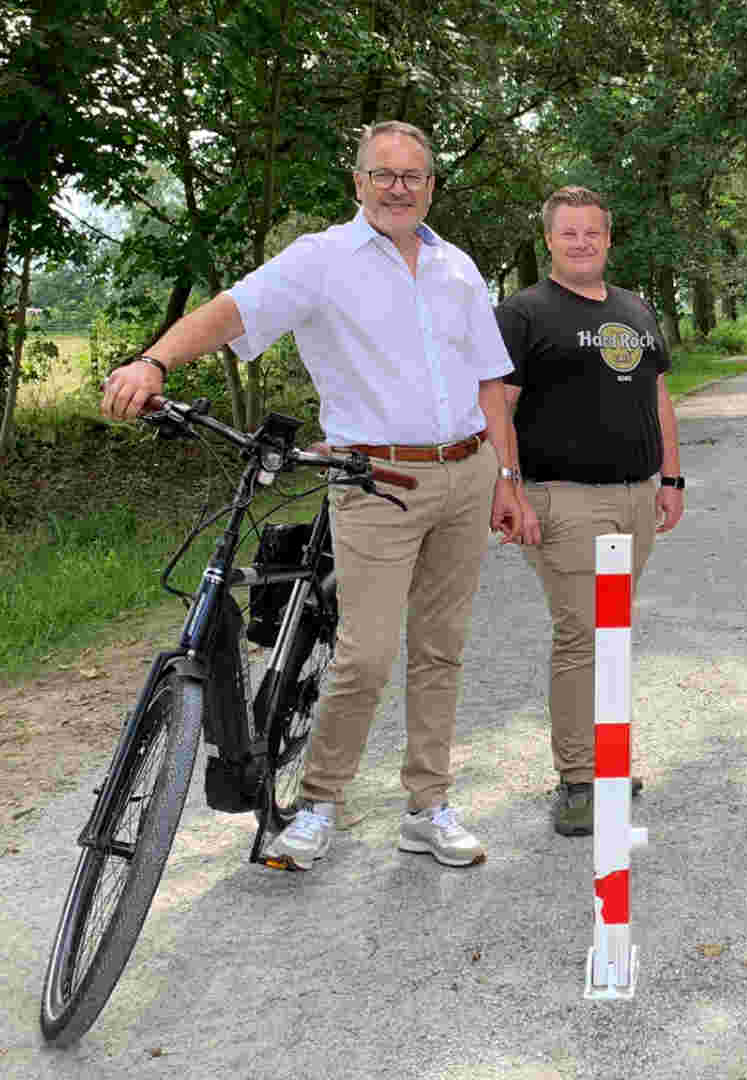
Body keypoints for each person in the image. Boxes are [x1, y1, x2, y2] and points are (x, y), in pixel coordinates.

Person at [100, 120, 531, 872]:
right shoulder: (322, 261)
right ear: (358, 183)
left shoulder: (458, 267)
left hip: (466, 472)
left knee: (440, 650)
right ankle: (320, 802)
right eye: (384, 175)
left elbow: (490, 382)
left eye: (414, 177)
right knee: (364, 656)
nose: (400, 188)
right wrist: (154, 360)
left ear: (431, 186)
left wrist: (505, 478)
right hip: (374, 482)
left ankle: (428, 805)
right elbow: (233, 310)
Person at [494, 186, 684, 836]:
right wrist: (509, 485)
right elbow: (497, 407)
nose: (581, 242)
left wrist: (672, 477)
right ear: (549, 239)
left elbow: (658, 395)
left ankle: (605, 764)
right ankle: (578, 782)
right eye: (568, 232)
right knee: (582, 635)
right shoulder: (523, 313)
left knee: (612, 633)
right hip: (566, 499)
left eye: (592, 232)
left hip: (636, 495)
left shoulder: (635, 308)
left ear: (608, 238)